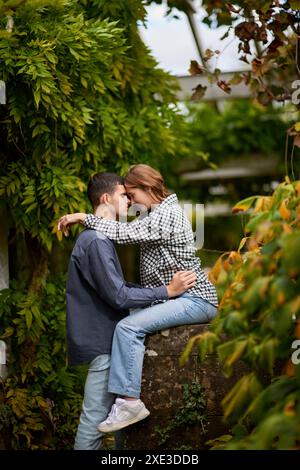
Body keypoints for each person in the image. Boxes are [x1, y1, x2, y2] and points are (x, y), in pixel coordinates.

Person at [59, 164, 218, 434]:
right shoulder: (154, 215)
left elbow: (122, 233)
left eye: (131, 194)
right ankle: (123, 406)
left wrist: (83, 217)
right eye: (126, 197)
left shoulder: (166, 214)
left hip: (194, 299)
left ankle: (129, 402)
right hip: (177, 299)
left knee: (127, 327)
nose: (130, 201)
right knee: (127, 324)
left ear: (146, 188)